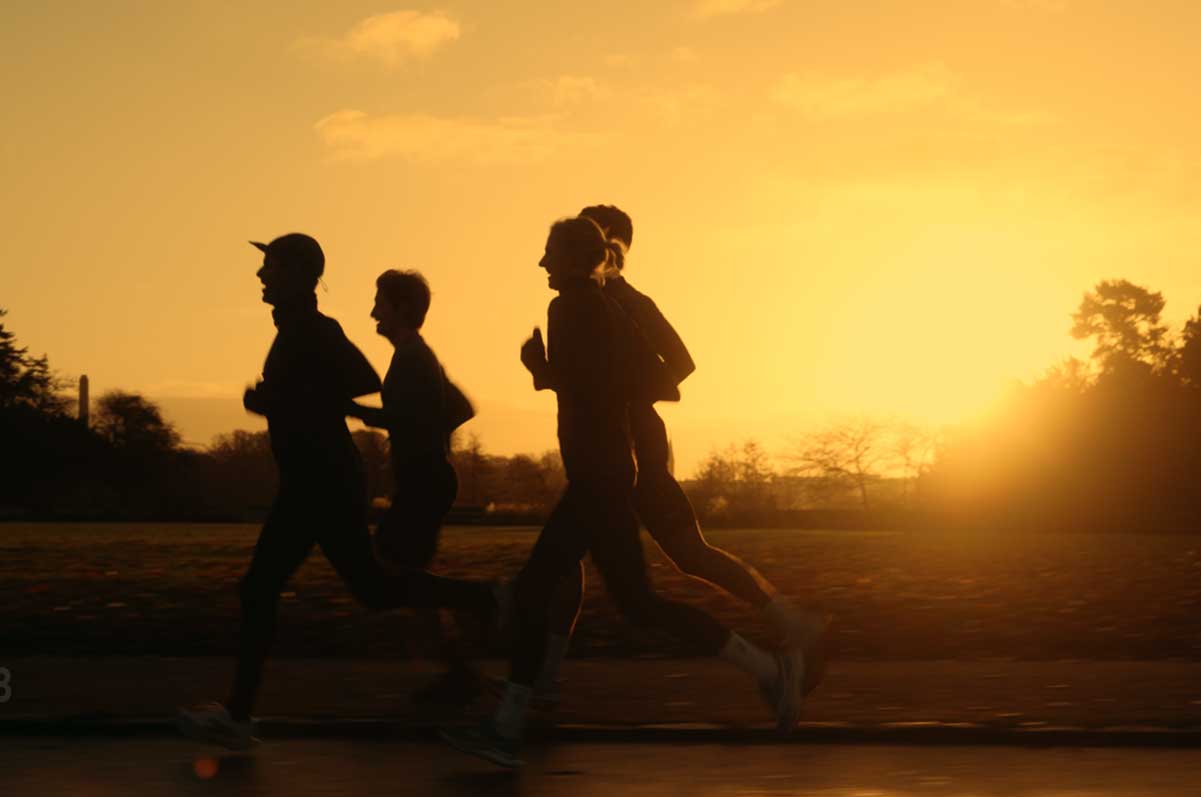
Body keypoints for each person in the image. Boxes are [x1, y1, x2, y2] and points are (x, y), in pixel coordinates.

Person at [443, 217, 802, 768]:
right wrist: (579, 381)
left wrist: (542, 371)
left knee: (541, 593)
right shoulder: (609, 309)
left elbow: (586, 385)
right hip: (614, 471)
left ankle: (507, 726)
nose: (540, 264)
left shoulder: (567, 307)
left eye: (547, 255)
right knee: (640, 604)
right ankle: (769, 671)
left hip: (596, 476)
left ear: (569, 259)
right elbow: (662, 382)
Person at [178, 234, 503, 751]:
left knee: (263, 588)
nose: (261, 277)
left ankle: (239, 717)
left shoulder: (314, 328)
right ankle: (480, 599)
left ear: (296, 276)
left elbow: (359, 379)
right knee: (370, 588)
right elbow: (329, 393)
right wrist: (280, 402)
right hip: (315, 481)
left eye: (270, 267)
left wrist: (284, 401)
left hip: (322, 483)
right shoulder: (296, 330)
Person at [530, 204, 826, 708]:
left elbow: (679, 366)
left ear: (614, 245)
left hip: (634, 451)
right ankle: (538, 685)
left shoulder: (626, 302)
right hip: (610, 453)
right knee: (572, 569)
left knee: (683, 557)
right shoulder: (586, 299)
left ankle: (789, 629)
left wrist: (619, 395)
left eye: (599, 235)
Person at [347, 269, 480, 704]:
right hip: (427, 477)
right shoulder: (418, 354)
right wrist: (425, 428)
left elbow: (419, 415)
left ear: (401, 308)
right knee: (406, 572)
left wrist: (358, 412)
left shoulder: (412, 357)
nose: (372, 313)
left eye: (379, 303)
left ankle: (482, 611)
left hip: (425, 480)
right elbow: (459, 407)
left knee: (393, 568)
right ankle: (457, 669)